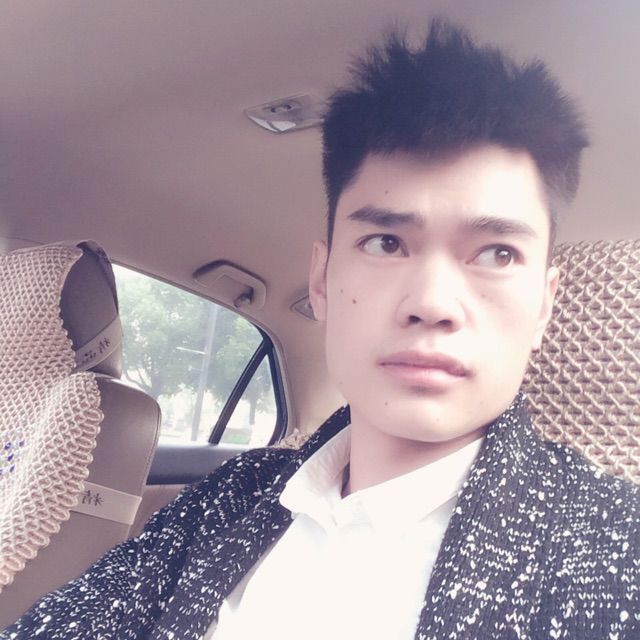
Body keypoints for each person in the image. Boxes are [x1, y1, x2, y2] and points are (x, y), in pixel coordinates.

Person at [2, 19, 638, 640]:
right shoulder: (232, 497)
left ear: (545, 305)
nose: (432, 303)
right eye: (386, 242)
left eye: (497, 254)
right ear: (323, 280)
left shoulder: (613, 550)